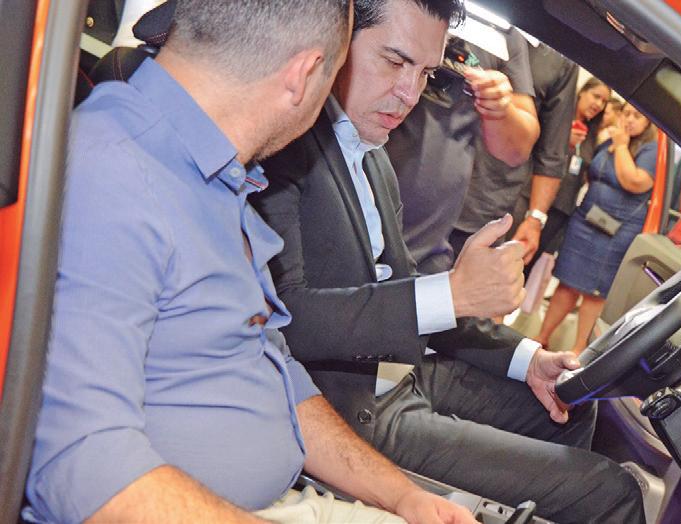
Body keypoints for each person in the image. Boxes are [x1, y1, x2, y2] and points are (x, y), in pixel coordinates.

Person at [24, 2, 477, 523]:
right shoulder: (115, 174)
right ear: (304, 75)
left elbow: (277, 374)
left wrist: (401, 497)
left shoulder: (217, 173)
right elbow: (81, 472)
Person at [251, 1, 645, 522]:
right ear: (337, 40)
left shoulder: (372, 158)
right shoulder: (284, 144)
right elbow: (287, 318)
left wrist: (529, 358)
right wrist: (454, 293)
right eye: (395, 62)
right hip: (346, 409)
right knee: (612, 491)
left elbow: (406, 288)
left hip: (407, 373)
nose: (409, 93)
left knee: (569, 408)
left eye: (425, 73)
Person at [387, 26, 540, 274]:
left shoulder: (503, 28)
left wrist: (500, 107)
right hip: (360, 208)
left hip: (430, 242)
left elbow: (517, 151)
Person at [536, 103, 658, 354]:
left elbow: (634, 182)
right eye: (626, 113)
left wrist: (621, 146)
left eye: (637, 116)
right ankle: (542, 337)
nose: (629, 119)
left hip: (617, 231)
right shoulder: (610, 139)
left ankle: (579, 349)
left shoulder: (650, 149)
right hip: (585, 220)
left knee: (595, 291)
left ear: (648, 123)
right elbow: (591, 171)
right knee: (567, 281)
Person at [456, 40, 578, 265]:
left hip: (487, 201)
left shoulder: (560, 57)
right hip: (422, 177)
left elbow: (552, 151)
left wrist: (535, 219)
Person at [518, 77, 611, 277]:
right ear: (582, 92)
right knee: (512, 256)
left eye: (604, 102)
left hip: (560, 210)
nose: (598, 104)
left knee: (526, 268)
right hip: (533, 200)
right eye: (596, 96)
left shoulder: (591, 135)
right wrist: (565, 143)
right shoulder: (558, 120)